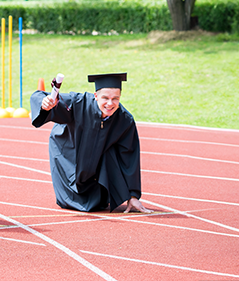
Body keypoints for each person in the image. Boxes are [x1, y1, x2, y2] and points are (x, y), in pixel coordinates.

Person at [30, 73, 152, 214]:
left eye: (115, 99)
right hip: (68, 154)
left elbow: (129, 158)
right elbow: (42, 97)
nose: (110, 104)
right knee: (68, 202)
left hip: (96, 162)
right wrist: (45, 104)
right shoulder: (79, 103)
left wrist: (133, 196)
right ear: (95, 96)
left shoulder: (124, 120)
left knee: (99, 203)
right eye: (105, 98)